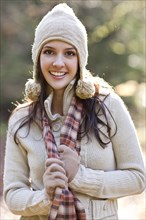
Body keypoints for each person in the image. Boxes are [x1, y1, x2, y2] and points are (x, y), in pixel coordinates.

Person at [3, 3, 145, 220]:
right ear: (38, 58)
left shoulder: (107, 106)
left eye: (69, 53)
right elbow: (13, 196)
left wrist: (80, 176)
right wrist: (45, 197)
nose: (58, 63)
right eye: (49, 52)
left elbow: (137, 178)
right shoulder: (22, 119)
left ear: (80, 60)